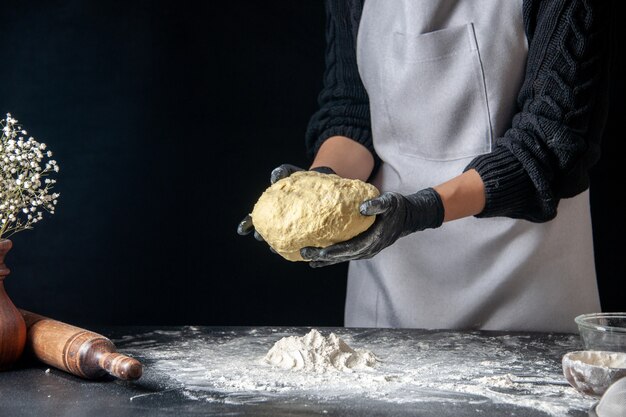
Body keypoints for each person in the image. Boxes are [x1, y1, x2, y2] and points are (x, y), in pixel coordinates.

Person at [238, 0, 612, 333]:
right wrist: (321, 183)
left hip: (524, 291)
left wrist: (423, 210)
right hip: (391, 287)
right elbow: (349, 109)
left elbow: (548, 145)